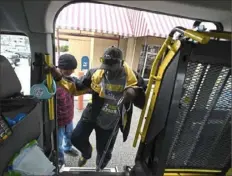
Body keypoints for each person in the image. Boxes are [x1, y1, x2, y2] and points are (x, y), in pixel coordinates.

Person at [48, 46, 146, 170]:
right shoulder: (95, 73)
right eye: (106, 67)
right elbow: (76, 88)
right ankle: (87, 152)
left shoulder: (133, 78)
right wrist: (58, 77)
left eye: (112, 68)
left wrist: (134, 92)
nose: (108, 71)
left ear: (121, 63)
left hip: (111, 120)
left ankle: (99, 169)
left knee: (104, 152)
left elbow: (144, 96)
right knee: (76, 138)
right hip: (92, 113)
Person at [56, 54, 79, 166]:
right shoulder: (53, 81)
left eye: (72, 69)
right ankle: (60, 161)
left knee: (70, 135)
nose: (71, 72)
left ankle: (68, 148)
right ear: (61, 67)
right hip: (58, 120)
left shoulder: (71, 80)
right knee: (58, 142)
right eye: (69, 69)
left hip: (69, 116)